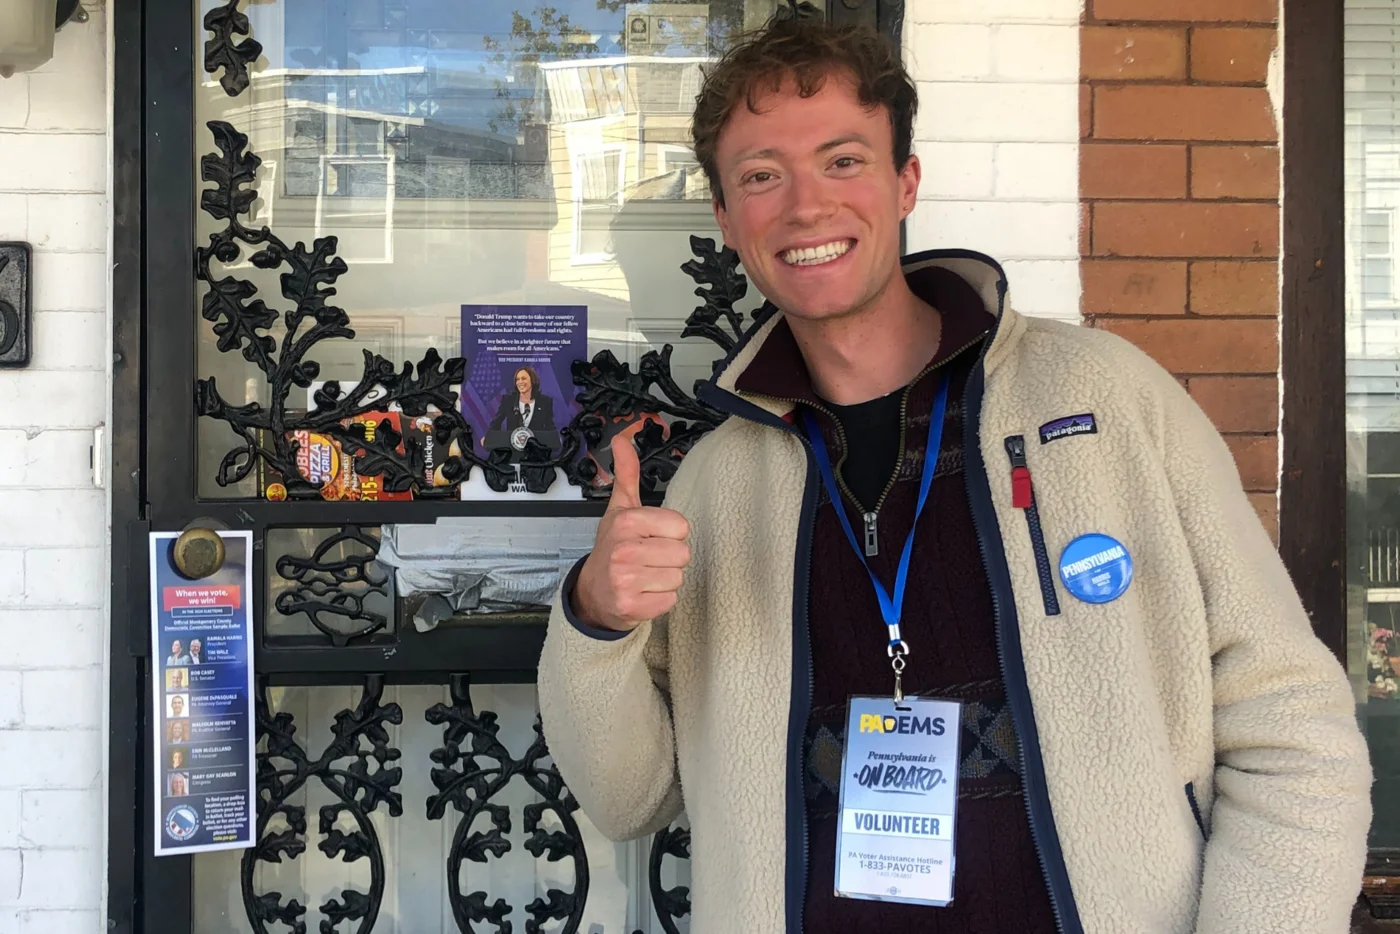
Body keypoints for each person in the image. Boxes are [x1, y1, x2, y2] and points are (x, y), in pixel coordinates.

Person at [537, 17, 1372, 934]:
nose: (806, 206)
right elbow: (627, 799)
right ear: (729, 222)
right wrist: (596, 617)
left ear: (906, 182)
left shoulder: (1105, 399)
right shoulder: (713, 485)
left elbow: (1292, 726)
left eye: (843, 160)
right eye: (762, 175)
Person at [486, 365, 559, 453]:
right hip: (512, 449)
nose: (520, 382)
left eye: (523, 378)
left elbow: (549, 425)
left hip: (536, 451)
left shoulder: (544, 401)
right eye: (517, 379)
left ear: (532, 381)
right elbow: (496, 422)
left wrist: (554, 438)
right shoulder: (509, 399)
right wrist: (489, 438)